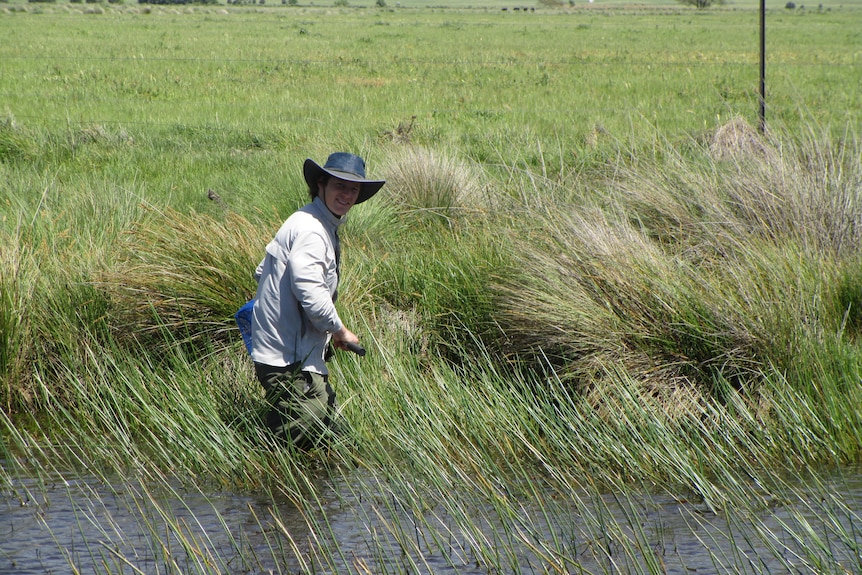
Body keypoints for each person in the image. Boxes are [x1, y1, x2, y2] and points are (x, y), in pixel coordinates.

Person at [249, 152, 385, 450]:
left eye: (353, 189)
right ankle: (270, 492)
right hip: (289, 358)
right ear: (321, 184)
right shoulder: (313, 230)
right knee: (292, 446)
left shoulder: (307, 220)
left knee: (330, 436)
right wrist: (339, 330)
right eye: (340, 185)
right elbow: (308, 287)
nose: (347, 194)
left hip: (289, 350)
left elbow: (263, 272)